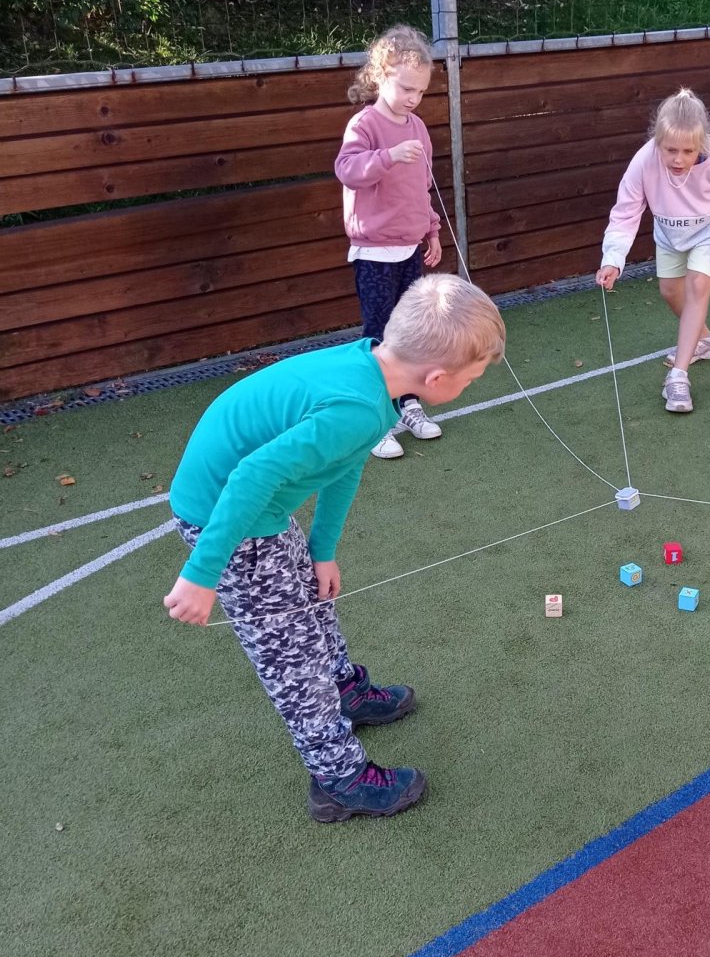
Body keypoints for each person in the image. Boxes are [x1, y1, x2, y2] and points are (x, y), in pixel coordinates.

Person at [163, 276, 506, 824]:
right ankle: (339, 780)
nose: (471, 384)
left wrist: (322, 549)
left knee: (311, 602)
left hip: (260, 513)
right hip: (226, 519)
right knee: (291, 657)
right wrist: (204, 572)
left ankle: (345, 690)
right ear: (437, 379)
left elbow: (343, 466)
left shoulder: (374, 372)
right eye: (472, 378)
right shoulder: (355, 408)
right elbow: (251, 476)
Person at [595, 88, 710, 415]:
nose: (678, 159)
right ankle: (704, 340)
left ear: (701, 144)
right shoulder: (644, 162)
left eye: (688, 151)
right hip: (672, 231)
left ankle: (678, 377)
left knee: (697, 284)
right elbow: (626, 213)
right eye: (670, 150)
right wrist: (612, 259)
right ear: (657, 141)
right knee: (670, 291)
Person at [336, 23, 445, 460]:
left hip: (409, 248)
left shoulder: (418, 128)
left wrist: (432, 230)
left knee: (410, 332)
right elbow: (347, 170)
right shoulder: (364, 125)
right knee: (379, 335)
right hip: (375, 252)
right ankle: (375, 421)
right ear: (381, 75)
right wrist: (388, 156)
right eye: (405, 88)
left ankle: (407, 405)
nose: (413, 98)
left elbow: (422, 188)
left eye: (420, 91)